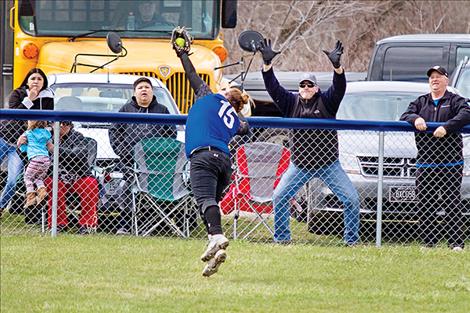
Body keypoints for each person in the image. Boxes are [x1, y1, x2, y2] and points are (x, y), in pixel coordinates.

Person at [258, 38, 360, 246]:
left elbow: (339, 88)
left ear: (316, 88)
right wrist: (267, 66)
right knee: (280, 196)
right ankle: (282, 239)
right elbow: (273, 88)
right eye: (302, 85)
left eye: (309, 84)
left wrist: (337, 67)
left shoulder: (327, 101)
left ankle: (351, 241)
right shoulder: (290, 102)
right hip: (300, 164)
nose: (305, 87)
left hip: (328, 164)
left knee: (351, 200)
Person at [172, 27, 250, 277]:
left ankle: (216, 236)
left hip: (203, 157)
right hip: (224, 162)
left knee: (204, 201)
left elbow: (192, 75)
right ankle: (214, 247)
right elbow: (246, 128)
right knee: (208, 204)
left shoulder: (211, 98)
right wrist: (240, 111)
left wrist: (182, 53)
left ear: (226, 97)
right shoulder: (237, 120)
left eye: (225, 92)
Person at [400, 66, 470, 251]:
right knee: (425, 203)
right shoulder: (421, 102)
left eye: (438, 76)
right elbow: (405, 114)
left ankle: (455, 243)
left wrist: (447, 127)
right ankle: (428, 243)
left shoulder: (455, 100)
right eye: (432, 77)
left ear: (446, 80)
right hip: (426, 162)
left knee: (451, 203)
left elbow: (466, 114)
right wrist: (415, 119)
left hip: (450, 162)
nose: (435, 80)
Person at [109, 77, 177, 235]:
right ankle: (124, 224)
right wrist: (122, 151)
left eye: (147, 87)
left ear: (152, 91)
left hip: (156, 163)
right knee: (126, 188)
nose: (144, 90)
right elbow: (114, 131)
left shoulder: (162, 110)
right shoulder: (125, 110)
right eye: (140, 88)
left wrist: (160, 151)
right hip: (130, 162)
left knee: (151, 191)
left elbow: (171, 135)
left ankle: (149, 225)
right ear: (135, 92)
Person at [0, 68, 54, 216]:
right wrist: (30, 99)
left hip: (20, 147)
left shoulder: (48, 98)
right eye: (33, 78)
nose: (36, 81)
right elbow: (15, 115)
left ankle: (1, 206)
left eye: (39, 79)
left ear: (44, 82)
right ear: (27, 81)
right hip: (3, 138)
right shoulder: (17, 94)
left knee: (13, 181)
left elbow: (49, 123)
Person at [44, 121, 99, 234]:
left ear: (70, 126)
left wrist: (54, 149)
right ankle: (58, 223)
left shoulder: (78, 137)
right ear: (52, 125)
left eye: (66, 124)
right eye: (58, 124)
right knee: (52, 183)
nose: (62, 126)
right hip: (55, 177)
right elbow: (31, 155)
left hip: (78, 175)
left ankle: (87, 224)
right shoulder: (45, 136)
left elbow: (78, 155)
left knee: (91, 183)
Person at [18, 120, 54, 208]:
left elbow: (20, 144)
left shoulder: (28, 133)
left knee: (27, 177)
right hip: (46, 159)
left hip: (35, 159)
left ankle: (31, 197)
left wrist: (21, 146)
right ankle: (42, 193)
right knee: (38, 178)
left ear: (31, 123)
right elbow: (50, 146)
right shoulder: (47, 133)